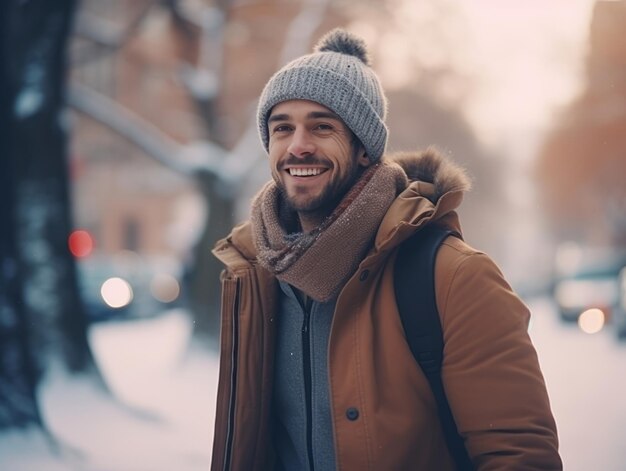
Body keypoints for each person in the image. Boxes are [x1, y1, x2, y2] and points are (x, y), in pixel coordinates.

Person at [210, 29, 562, 470]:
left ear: (363, 149)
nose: (298, 145)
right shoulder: (254, 274)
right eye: (282, 128)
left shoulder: (455, 277)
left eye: (322, 126)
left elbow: (519, 455)